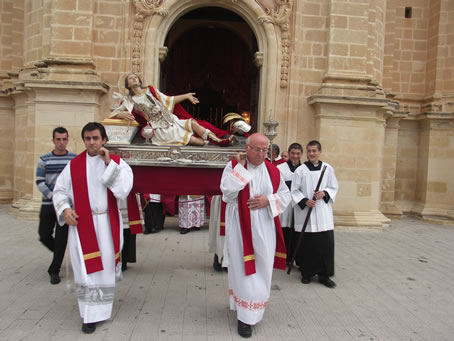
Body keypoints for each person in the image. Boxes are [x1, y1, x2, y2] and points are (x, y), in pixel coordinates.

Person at [52, 122, 133, 334]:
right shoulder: (74, 165)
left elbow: (123, 190)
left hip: (106, 224)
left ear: (104, 140)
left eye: (96, 138)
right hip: (82, 225)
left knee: (104, 269)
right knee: (85, 270)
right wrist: (65, 209)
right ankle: (88, 315)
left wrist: (109, 165)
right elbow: (59, 190)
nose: (92, 142)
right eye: (88, 138)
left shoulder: (117, 163)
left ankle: (101, 310)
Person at [220, 133, 291, 338]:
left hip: (265, 225)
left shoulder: (273, 171)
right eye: (257, 149)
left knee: (263, 266)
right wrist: (241, 169)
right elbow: (227, 192)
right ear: (247, 148)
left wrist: (268, 201)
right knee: (244, 268)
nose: (262, 154)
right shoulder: (234, 166)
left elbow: (286, 196)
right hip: (241, 227)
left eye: (265, 150)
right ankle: (245, 319)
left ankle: (253, 308)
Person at [112, 73, 233, 146]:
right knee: (197, 141)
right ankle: (208, 142)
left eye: (135, 77)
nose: (134, 79)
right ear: (127, 85)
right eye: (130, 78)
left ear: (139, 80)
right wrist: (120, 114)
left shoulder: (151, 90)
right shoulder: (128, 101)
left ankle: (218, 141)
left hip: (172, 121)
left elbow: (168, 100)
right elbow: (112, 113)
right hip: (160, 130)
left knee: (193, 123)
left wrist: (186, 96)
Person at [291, 140, 339, 288]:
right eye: (309, 151)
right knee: (309, 246)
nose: (311, 154)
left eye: (314, 151)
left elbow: (333, 186)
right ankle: (307, 273)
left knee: (326, 245)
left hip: (323, 213)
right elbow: (294, 190)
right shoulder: (301, 170)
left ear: (319, 151)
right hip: (307, 214)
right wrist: (305, 201)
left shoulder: (327, 168)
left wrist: (324, 193)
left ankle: (325, 275)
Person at [35, 127, 77, 285]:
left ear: (68, 140)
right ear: (53, 140)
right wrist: (54, 197)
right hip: (48, 203)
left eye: (64, 139)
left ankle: (54, 270)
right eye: (58, 139)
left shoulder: (73, 159)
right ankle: (58, 252)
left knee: (61, 238)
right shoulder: (44, 159)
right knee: (44, 235)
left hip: (66, 207)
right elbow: (40, 181)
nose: (61, 142)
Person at [276, 143, 303, 263]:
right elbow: (279, 186)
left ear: (301, 154)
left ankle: (296, 258)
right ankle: (283, 258)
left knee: (298, 232)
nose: (295, 156)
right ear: (288, 153)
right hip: (286, 205)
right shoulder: (281, 168)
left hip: (299, 205)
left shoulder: (304, 169)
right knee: (285, 231)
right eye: (293, 153)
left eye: (298, 153)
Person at [208, 194, 227, 271]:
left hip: (234, 200)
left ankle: (227, 260)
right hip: (220, 198)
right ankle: (218, 257)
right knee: (217, 229)